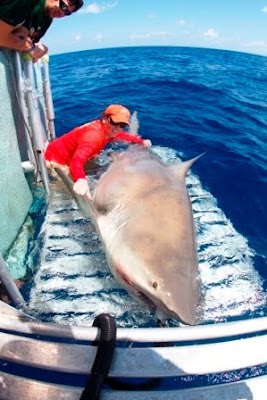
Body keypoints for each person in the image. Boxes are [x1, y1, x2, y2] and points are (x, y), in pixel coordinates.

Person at [45, 104, 152, 198]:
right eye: (114, 122)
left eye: (122, 125)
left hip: (74, 156)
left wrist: (141, 142)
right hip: (56, 160)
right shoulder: (93, 136)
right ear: (105, 119)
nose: (117, 128)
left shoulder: (109, 131)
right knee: (68, 193)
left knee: (97, 172)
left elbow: (121, 135)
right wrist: (81, 180)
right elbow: (76, 161)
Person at [0, 0, 83, 62]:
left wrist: (36, 49)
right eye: (63, 6)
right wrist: (30, 48)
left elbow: (27, 39)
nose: (62, 13)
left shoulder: (48, 19)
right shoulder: (33, 5)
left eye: (67, 12)